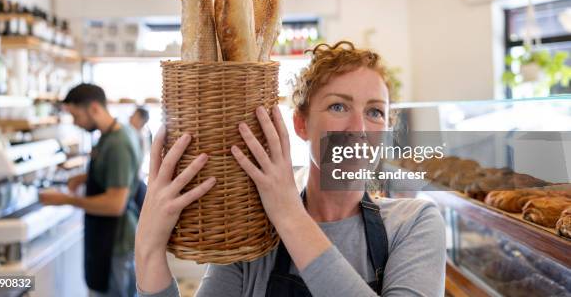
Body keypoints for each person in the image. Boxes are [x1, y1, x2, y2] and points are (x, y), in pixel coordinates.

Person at [135, 41, 446, 297]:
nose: (359, 128)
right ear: (301, 124)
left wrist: (288, 213)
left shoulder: (413, 223)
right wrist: (148, 250)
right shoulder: (254, 233)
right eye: (338, 106)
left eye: (375, 112)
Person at [39, 83, 142, 297]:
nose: (76, 123)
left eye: (76, 115)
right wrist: (84, 177)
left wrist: (66, 200)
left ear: (94, 108)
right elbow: (116, 172)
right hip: (108, 238)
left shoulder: (118, 143)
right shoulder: (111, 134)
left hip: (115, 241)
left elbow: (115, 204)